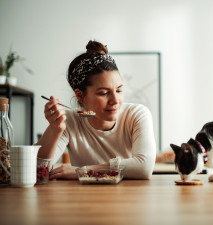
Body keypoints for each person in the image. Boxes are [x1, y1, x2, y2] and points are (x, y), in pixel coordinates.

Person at [36, 40, 156, 179]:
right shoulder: (69, 122)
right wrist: (54, 129)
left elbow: (144, 167)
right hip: (85, 199)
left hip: (128, 197)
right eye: (104, 93)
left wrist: (84, 170)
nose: (115, 101)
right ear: (80, 96)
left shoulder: (136, 114)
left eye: (119, 90)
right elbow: (39, 171)